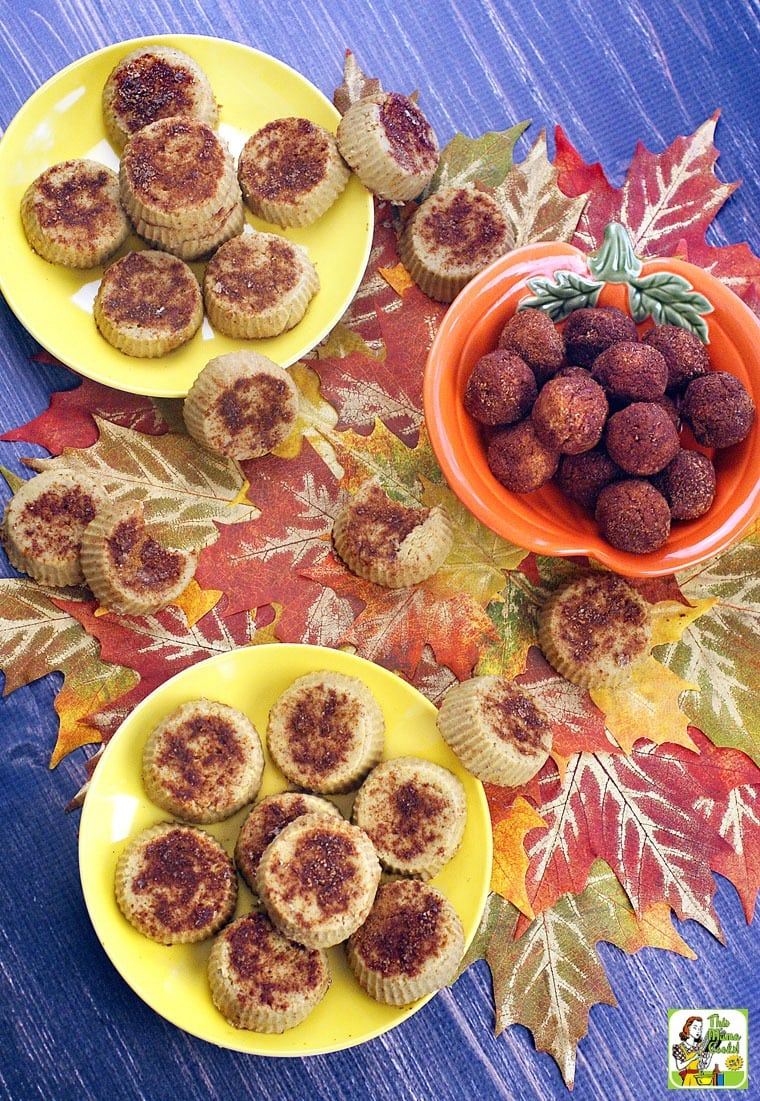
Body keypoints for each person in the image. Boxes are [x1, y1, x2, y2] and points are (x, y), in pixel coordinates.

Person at [671, 1016, 711, 1086]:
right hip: (689, 1079)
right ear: (688, 1028)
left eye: (700, 1028)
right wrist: (693, 1058)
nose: (698, 1031)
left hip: (699, 1078)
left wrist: (710, 1055)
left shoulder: (700, 1046)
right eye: (695, 1028)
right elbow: (679, 1067)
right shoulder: (680, 1048)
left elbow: (703, 1066)